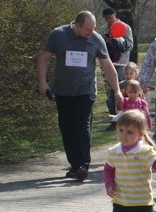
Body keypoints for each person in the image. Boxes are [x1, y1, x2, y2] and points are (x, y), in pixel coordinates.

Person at [38, 11, 122, 181]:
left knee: (82, 126)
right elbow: (44, 57)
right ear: (77, 25)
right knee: (67, 128)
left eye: (93, 29)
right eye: (87, 30)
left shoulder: (96, 39)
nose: (91, 33)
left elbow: (107, 66)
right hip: (63, 90)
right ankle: (75, 165)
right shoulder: (58, 34)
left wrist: (117, 90)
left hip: (86, 90)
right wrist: (42, 82)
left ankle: (83, 164)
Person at [102, 7, 135, 124]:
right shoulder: (104, 29)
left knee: (121, 91)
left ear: (115, 15)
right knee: (109, 93)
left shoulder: (125, 28)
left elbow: (130, 46)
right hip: (107, 64)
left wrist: (115, 40)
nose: (108, 21)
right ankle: (113, 120)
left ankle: (124, 118)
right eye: (106, 19)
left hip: (121, 64)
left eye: (110, 18)